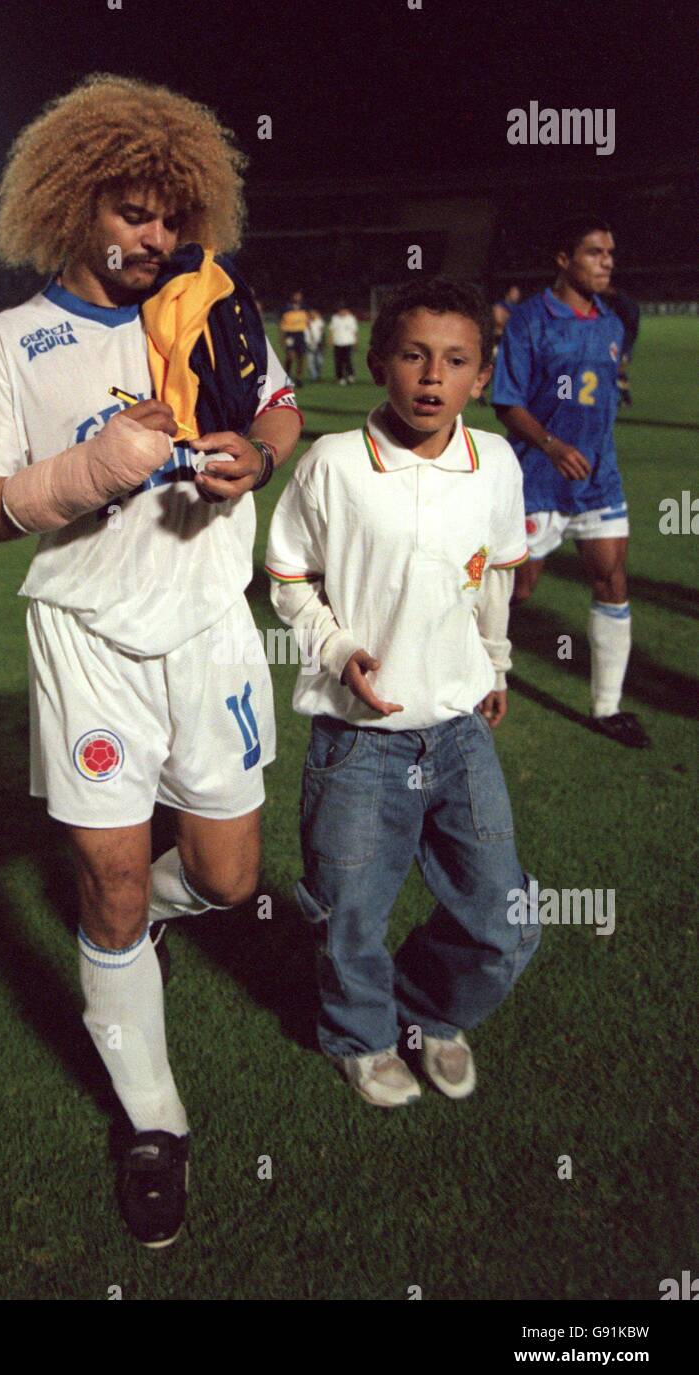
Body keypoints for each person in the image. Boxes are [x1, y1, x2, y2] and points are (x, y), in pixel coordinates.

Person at [0, 75, 301, 1248]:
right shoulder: (4, 346)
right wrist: (88, 471)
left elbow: (280, 409)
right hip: (86, 638)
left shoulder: (217, 299)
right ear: (73, 202)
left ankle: (153, 921)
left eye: (171, 215)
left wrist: (253, 448)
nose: (157, 238)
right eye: (134, 214)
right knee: (110, 881)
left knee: (231, 879)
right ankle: (152, 1119)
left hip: (208, 624)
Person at [266, 278, 537, 1109]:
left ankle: (427, 1013)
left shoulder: (494, 459)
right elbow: (287, 578)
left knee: (505, 922)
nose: (432, 376)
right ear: (380, 361)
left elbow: (494, 576)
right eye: (414, 355)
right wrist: (338, 646)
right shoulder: (334, 463)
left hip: (456, 732)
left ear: (480, 378)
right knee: (349, 913)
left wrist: (494, 662)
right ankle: (362, 1035)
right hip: (358, 740)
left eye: (455, 361)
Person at [492, 217, 650, 747]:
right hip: (538, 480)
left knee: (612, 581)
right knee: (519, 588)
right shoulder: (529, 321)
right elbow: (507, 402)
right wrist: (553, 447)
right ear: (563, 258)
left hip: (600, 482)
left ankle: (607, 708)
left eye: (610, 252)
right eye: (594, 252)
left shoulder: (611, 322)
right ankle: (473, 666)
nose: (607, 261)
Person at [479, 285, 520, 405]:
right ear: (508, 294)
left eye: (517, 293)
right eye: (514, 292)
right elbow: (499, 323)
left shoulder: (516, 309)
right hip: (496, 340)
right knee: (490, 365)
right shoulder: (499, 306)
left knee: (507, 368)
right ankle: (481, 392)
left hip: (508, 341)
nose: (516, 295)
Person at [600, 286, 640, 408]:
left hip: (625, 342)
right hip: (619, 342)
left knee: (619, 370)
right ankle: (621, 398)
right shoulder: (615, 300)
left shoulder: (623, 302)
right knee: (615, 370)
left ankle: (626, 399)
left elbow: (631, 322)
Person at [280, 290, 308, 385]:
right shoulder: (286, 308)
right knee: (290, 356)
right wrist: (282, 337)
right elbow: (282, 323)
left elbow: (308, 322)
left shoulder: (304, 307)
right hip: (290, 334)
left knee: (301, 357)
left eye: (299, 295)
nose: (298, 297)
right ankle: (287, 375)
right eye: (296, 295)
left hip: (300, 334)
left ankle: (299, 378)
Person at [329, 304, 358, 383]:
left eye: (343, 310)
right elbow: (332, 330)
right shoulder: (335, 318)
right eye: (340, 310)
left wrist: (356, 342)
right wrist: (331, 340)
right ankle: (340, 377)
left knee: (348, 360)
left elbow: (354, 331)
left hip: (348, 342)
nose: (342, 312)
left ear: (347, 310)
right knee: (338, 361)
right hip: (337, 343)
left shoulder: (351, 318)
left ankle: (350, 375)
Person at [304, 308, 325, 381]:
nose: (312, 315)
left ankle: (318, 374)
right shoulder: (305, 322)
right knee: (310, 362)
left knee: (320, 361)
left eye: (314, 313)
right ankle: (314, 377)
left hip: (318, 344)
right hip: (308, 344)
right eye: (311, 313)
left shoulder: (319, 321)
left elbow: (322, 332)